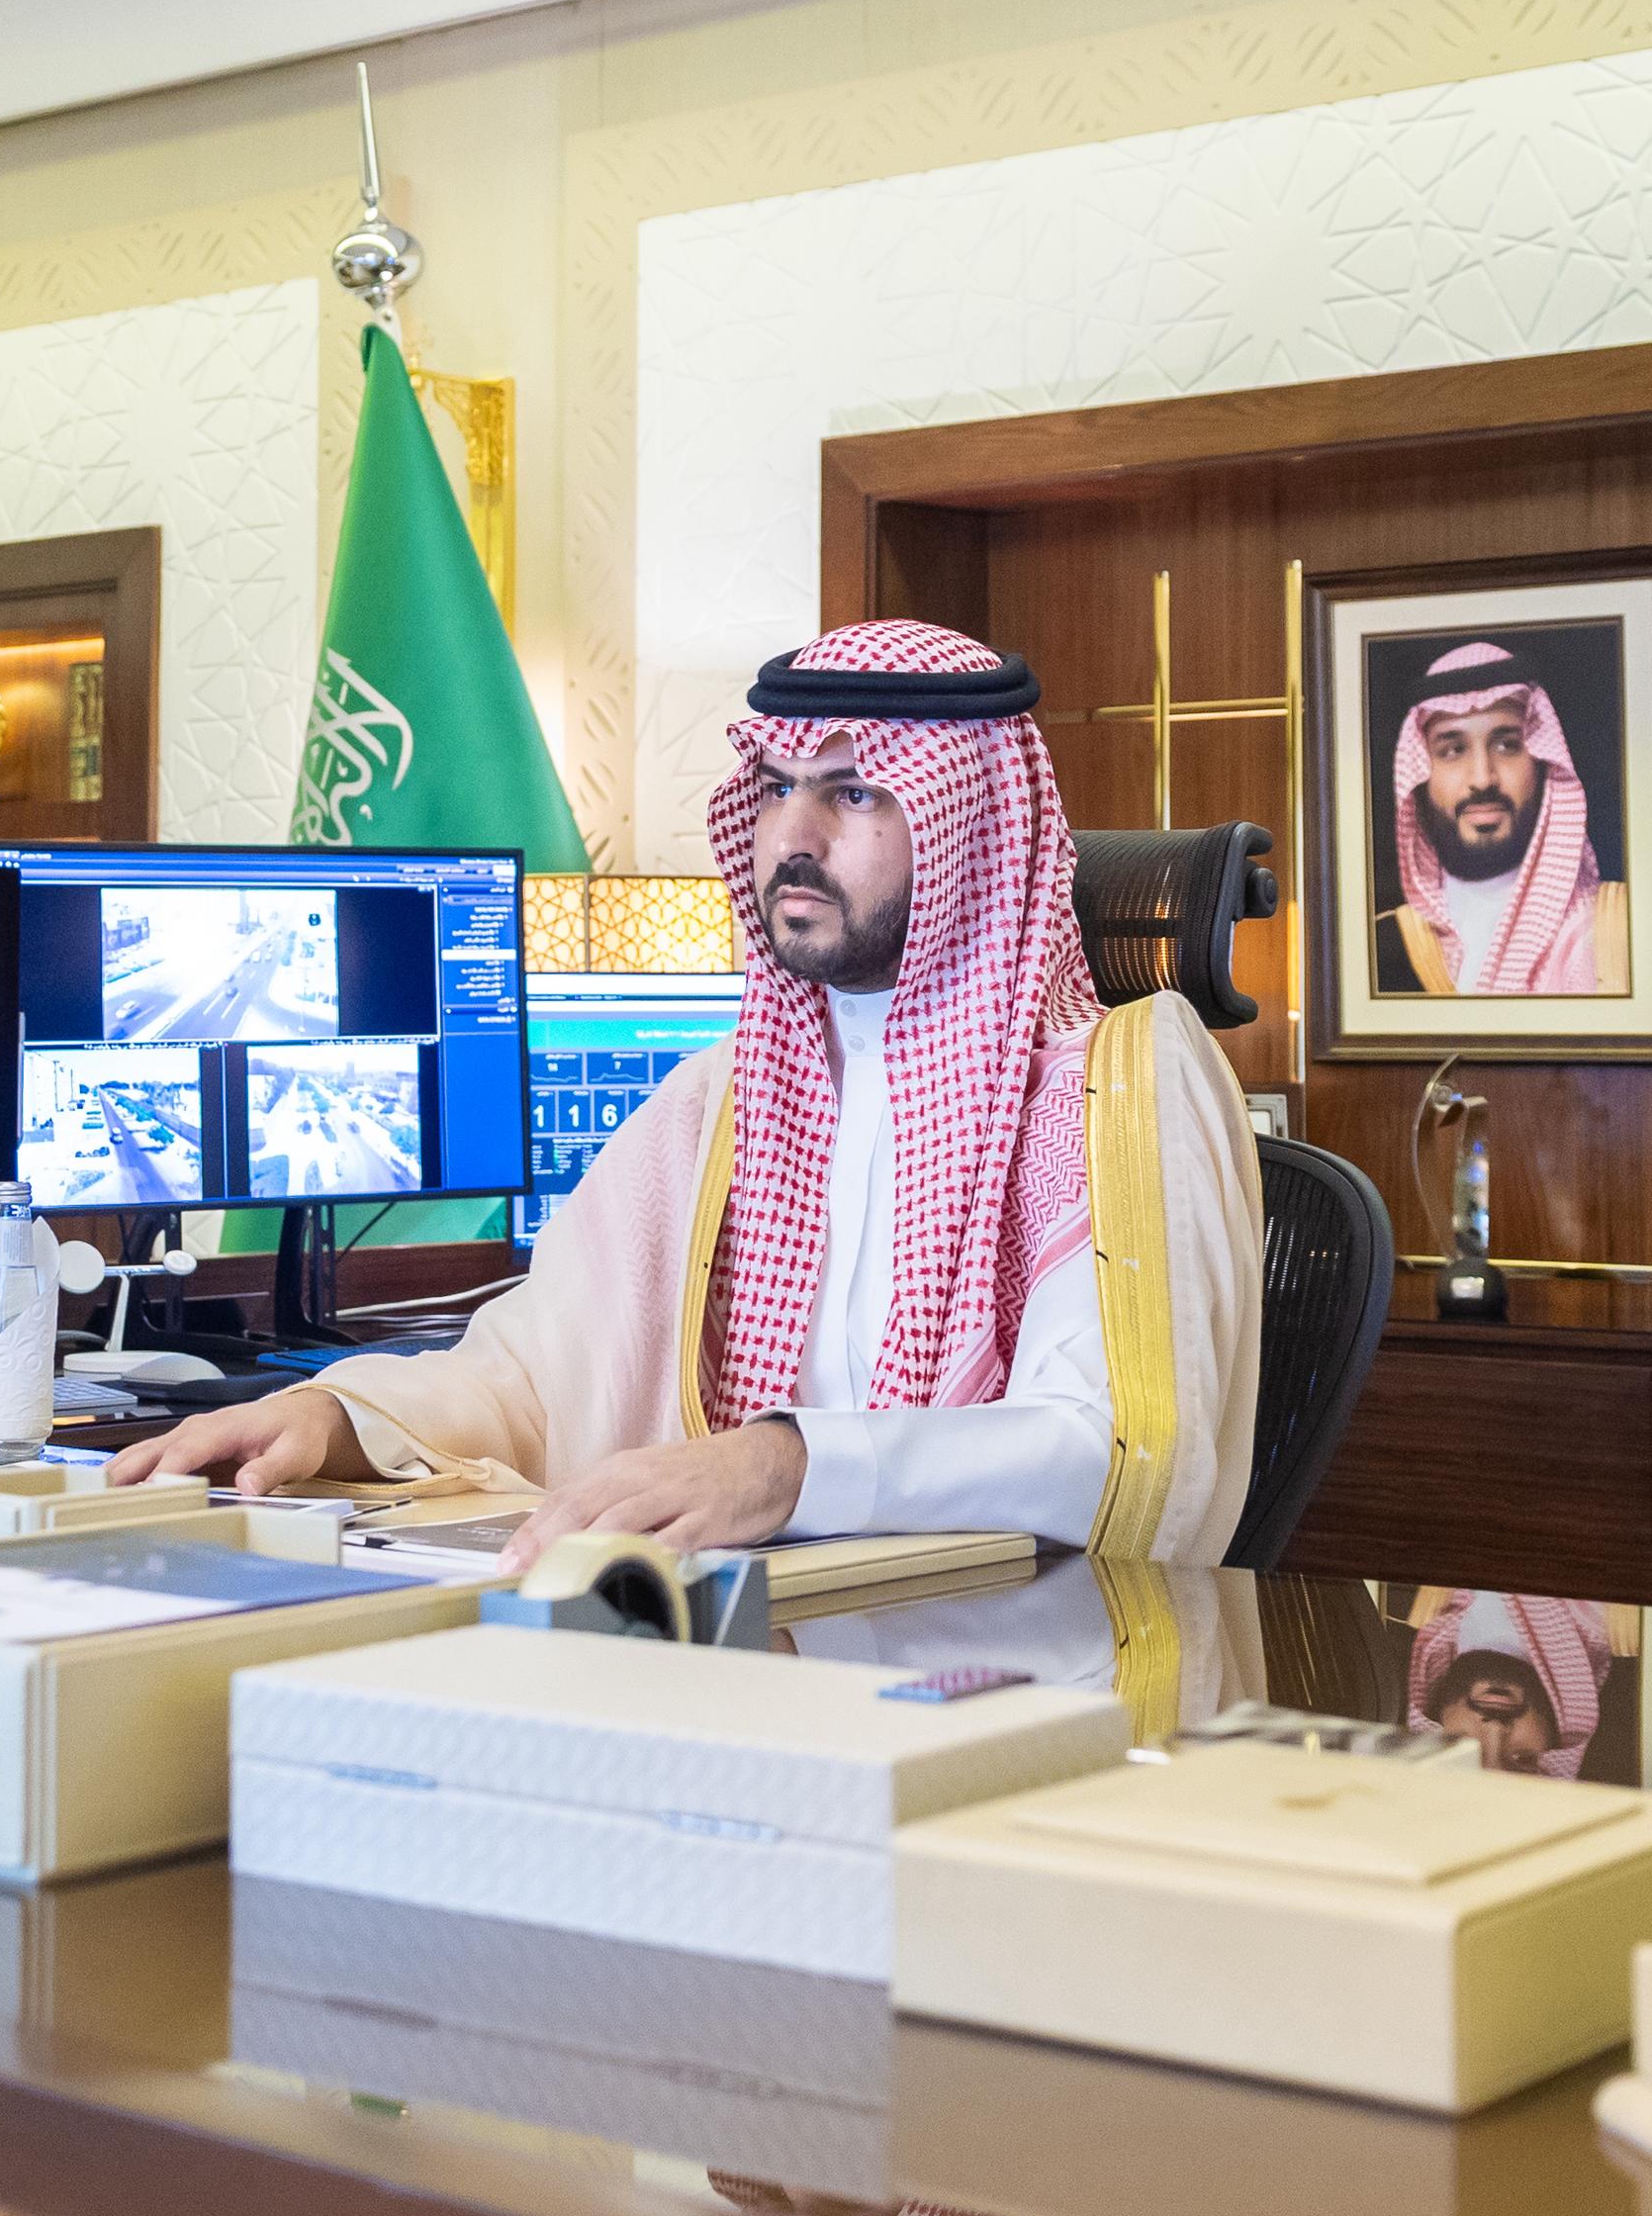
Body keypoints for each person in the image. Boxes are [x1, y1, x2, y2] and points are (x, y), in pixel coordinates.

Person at [110, 618, 1261, 1561]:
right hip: (756, 1644)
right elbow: (534, 1377)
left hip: (1024, 1673)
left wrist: (782, 1463)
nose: (793, 835)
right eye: (776, 787)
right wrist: (339, 1418)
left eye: (856, 794)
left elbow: (1112, 1445)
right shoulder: (723, 1097)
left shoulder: (1118, 1084)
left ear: (973, 826)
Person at [1371, 645, 1629, 994]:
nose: (1483, 778)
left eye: (1507, 745)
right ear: (1419, 774)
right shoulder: (1381, 948)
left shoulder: (1617, 931)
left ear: (1542, 763)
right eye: (1452, 750)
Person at [1405, 1590, 1609, 1778]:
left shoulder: (1412, 1603)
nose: (1495, 1726)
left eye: (1467, 1754)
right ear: (1557, 1734)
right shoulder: (1601, 1615)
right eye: (1522, 1758)